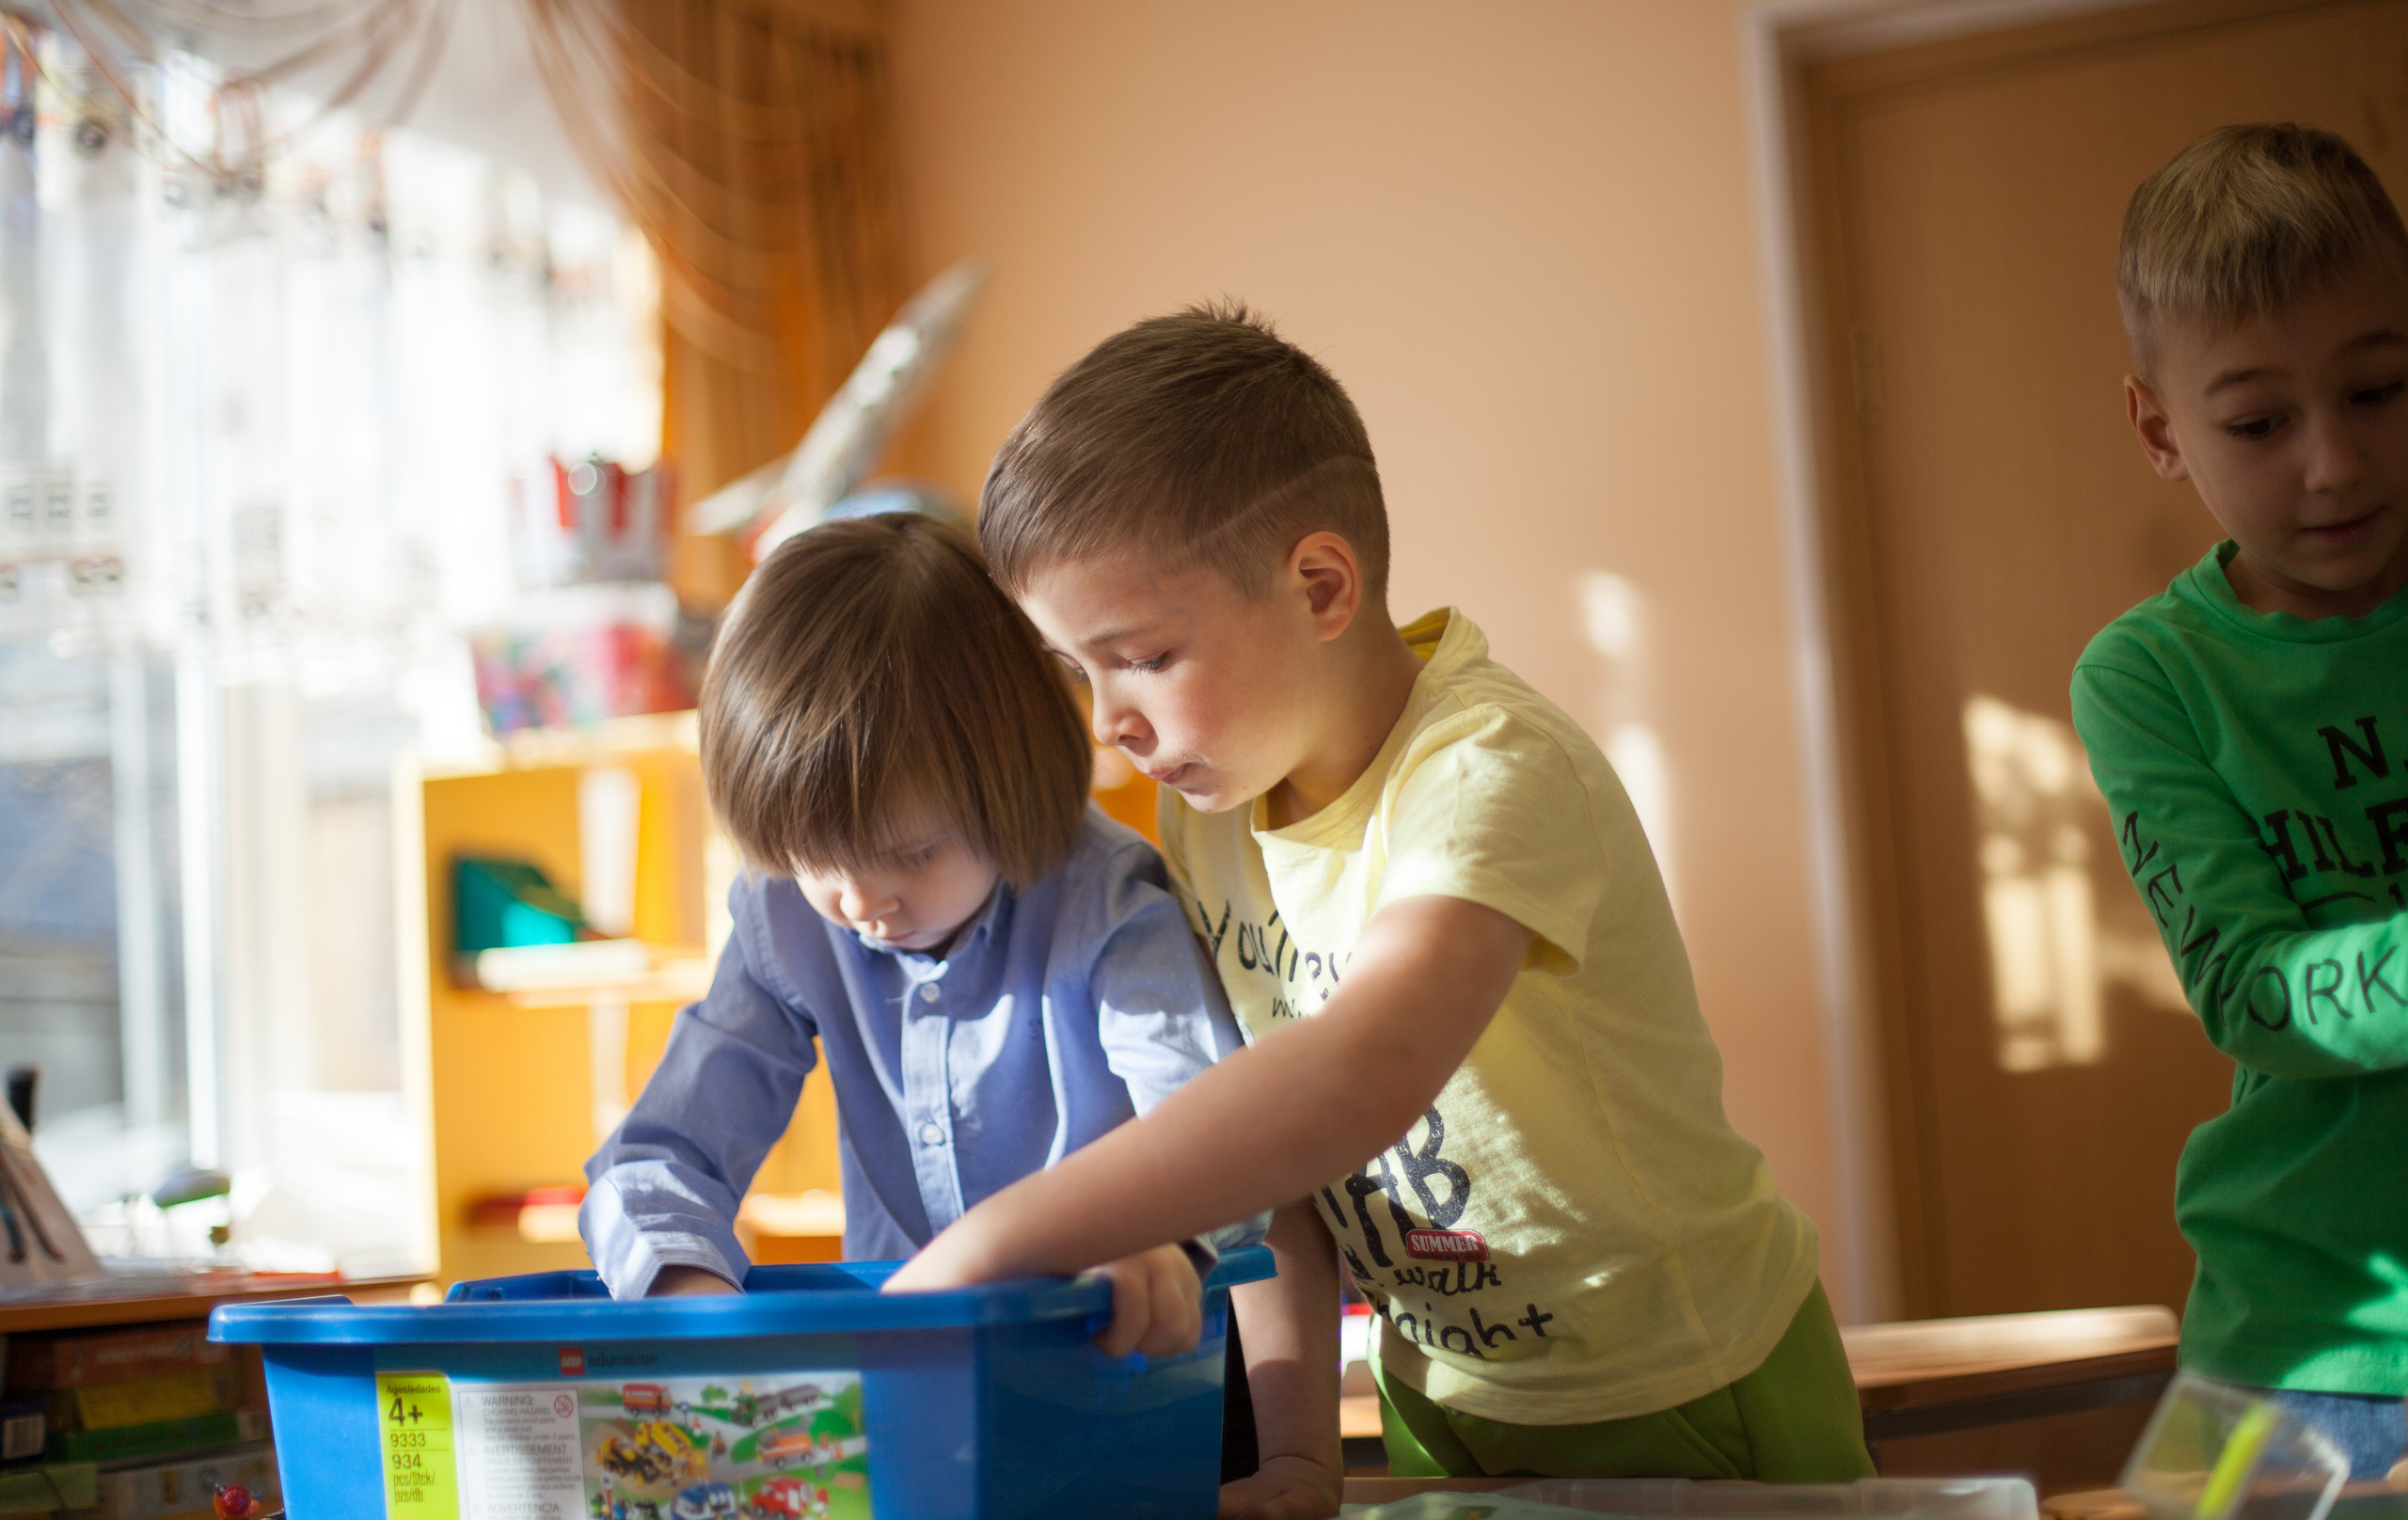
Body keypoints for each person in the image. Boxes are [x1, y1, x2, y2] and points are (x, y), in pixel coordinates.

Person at [884, 306, 1874, 1516]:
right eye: (1075, 672)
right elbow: (1277, 1163)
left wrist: (1003, 1238)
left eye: (1137, 658)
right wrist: (1298, 1448)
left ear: (1319, 586)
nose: (1107, 724)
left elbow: (1356, 1073)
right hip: (1441, 1392)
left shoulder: (1487, 772)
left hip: (1683, 1383)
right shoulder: (1214, 810)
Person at [579, 512, 1253, 1370]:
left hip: (1123, 1369)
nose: (861, 902)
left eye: (909, 853)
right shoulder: (785, 914)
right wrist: (695, 1302)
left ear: (1010, 780)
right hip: (908, 1381)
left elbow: (1219, 1129)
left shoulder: (1106, 902)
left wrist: (1156, 1238)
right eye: (813, 859)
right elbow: (659, 1155)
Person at [2071, 124, 2408, 1479]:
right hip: (2290, 1335)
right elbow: (2254, 991)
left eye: (2381, 390)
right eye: (2261, 423)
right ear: (2160, 426)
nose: (2331, 464)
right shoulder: (2146, 674)